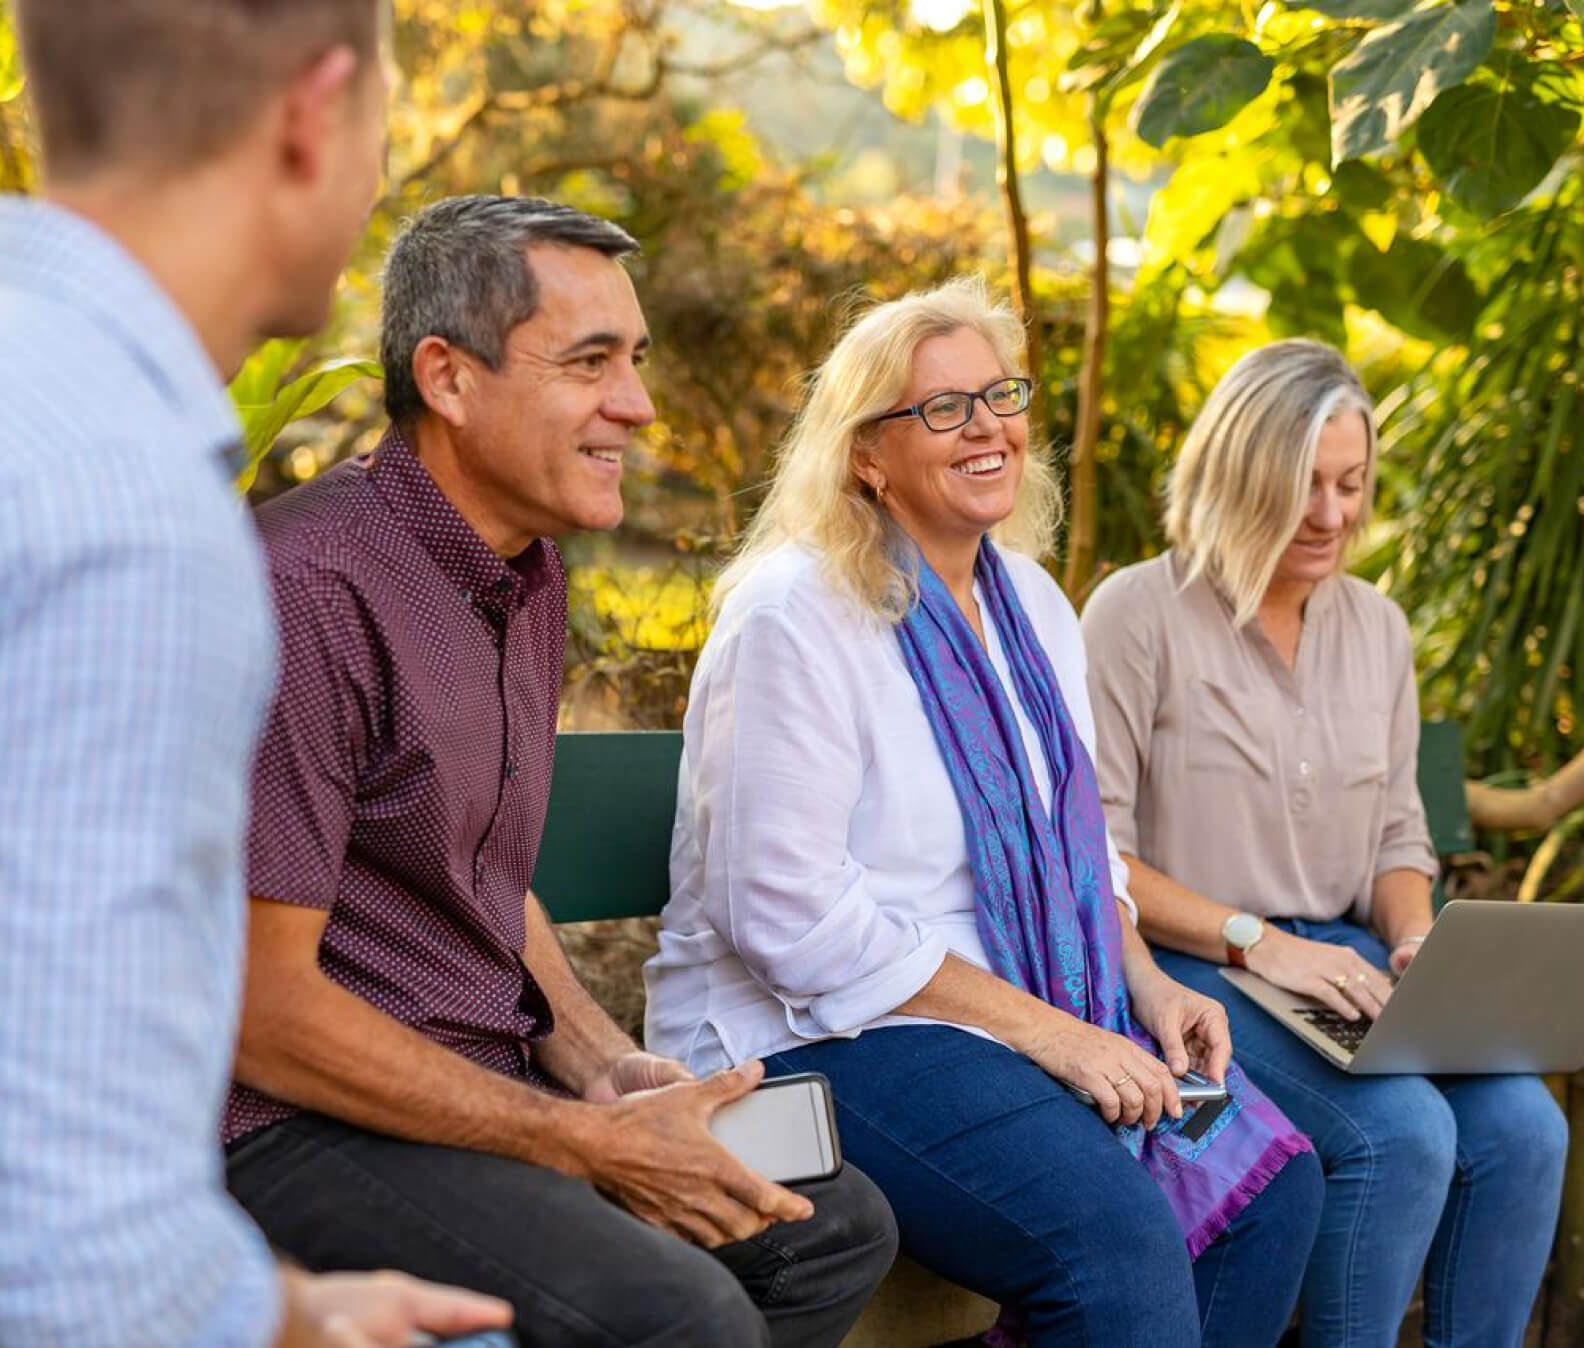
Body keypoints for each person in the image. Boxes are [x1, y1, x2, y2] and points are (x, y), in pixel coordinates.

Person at [223, 194, 899, 1348]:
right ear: (447, 376)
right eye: (591, 363)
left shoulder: (525, 575)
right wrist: (583, 1145)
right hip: (292, 1126)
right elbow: (261, 1010)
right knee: (679, 1314)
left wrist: (607, 1071)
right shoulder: (307, 593)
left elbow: (481, 874)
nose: (635, 405)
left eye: (634, 360)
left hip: (476, 1091)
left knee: (828, 1226)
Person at [644, 277, 1325, 1347]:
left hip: (1010, 1018)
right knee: (1116, 1237)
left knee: (1271, 1195)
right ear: (866, 453)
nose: (988, 427)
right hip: (816, 1036)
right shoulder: (796, 613)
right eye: (943, 407)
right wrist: (1054, 1035)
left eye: (999, 396)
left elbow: (1080, 850)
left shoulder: (1033, 606)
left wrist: (1142, 983)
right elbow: (786, 917)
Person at [0, 3, 511, 1346]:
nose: (373, 187)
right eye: (379, 135)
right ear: (308, 112)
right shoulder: (129, 512)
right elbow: (67, 1239)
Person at [1080, 338, 1569, 1347]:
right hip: (1190, 969)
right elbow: (1096, 851)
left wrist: (1415, 937)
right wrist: (1257, 938)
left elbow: (1398, 828)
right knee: (1404, 1136)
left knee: (1528, 1130)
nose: (1334, 515)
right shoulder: (1137, 615)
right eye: (1305, 485)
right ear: (1237, 472)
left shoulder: (1377, 629)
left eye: (1351, 485)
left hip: (1344, 970)